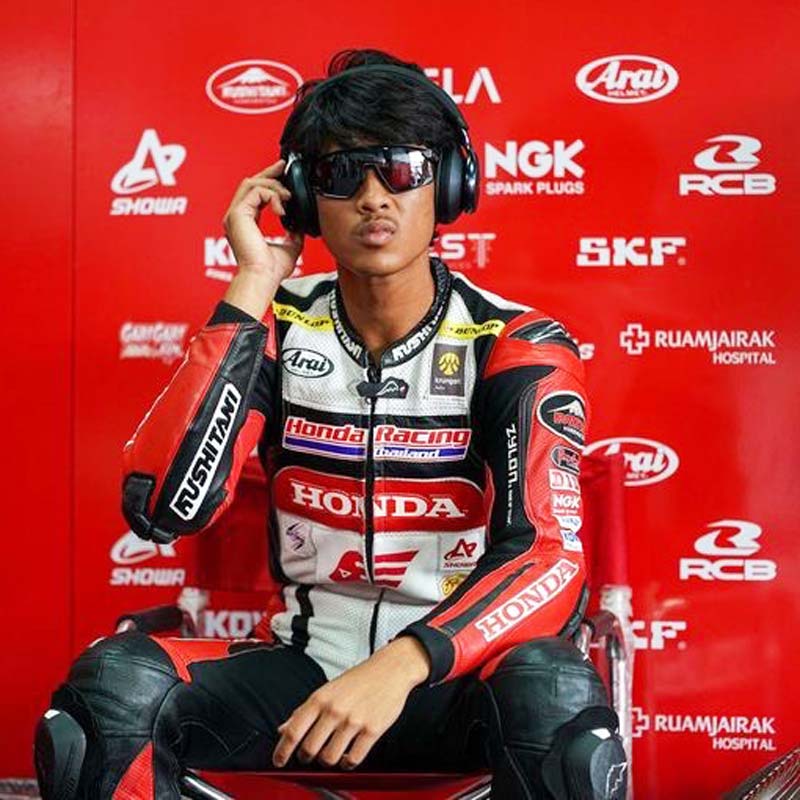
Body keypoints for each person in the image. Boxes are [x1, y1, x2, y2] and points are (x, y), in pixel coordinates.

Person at [34, 48, 628, 799]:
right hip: (305, 679)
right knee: (106, 699)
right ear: (304, 200)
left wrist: (404, 664)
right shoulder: (274, 323)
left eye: (404, 169)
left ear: (450, 184)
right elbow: (163, 508)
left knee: (557, 696)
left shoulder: (515, 343)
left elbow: (548, 560)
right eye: (342, 174)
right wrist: (253, 283)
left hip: (458, 681)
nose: (375, 198)